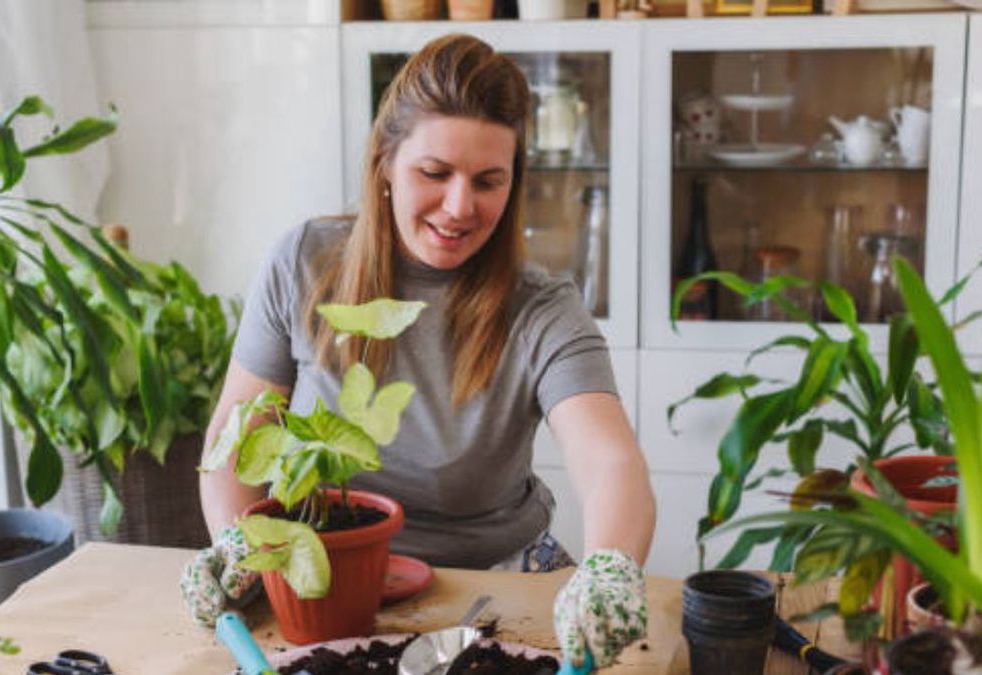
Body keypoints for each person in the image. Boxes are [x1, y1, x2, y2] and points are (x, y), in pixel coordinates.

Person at [180, 33, 656, 669]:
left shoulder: (542, 307)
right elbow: (237, 441)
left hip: (493, 584)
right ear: (384, 163)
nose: (460, 207)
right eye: (434, 174)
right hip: (323, 578)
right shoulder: (303, 262)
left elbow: (608, 458)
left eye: (489, 181)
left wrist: (612, 565)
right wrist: (240, 546)